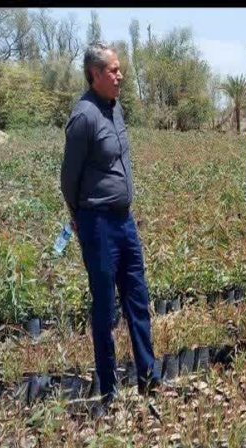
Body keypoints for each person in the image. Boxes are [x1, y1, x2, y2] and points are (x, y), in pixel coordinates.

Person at [60, 42, 161, 407]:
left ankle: (149, 379)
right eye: (114, 70)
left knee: (138, 298)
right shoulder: (83, 116)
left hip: (124, 222)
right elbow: (68, 179)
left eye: (120, 69)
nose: (121, 76)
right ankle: (108, 388)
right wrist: (79, 216)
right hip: (98, 224)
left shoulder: (115, 109)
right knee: (105, 308)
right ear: (95, 74)